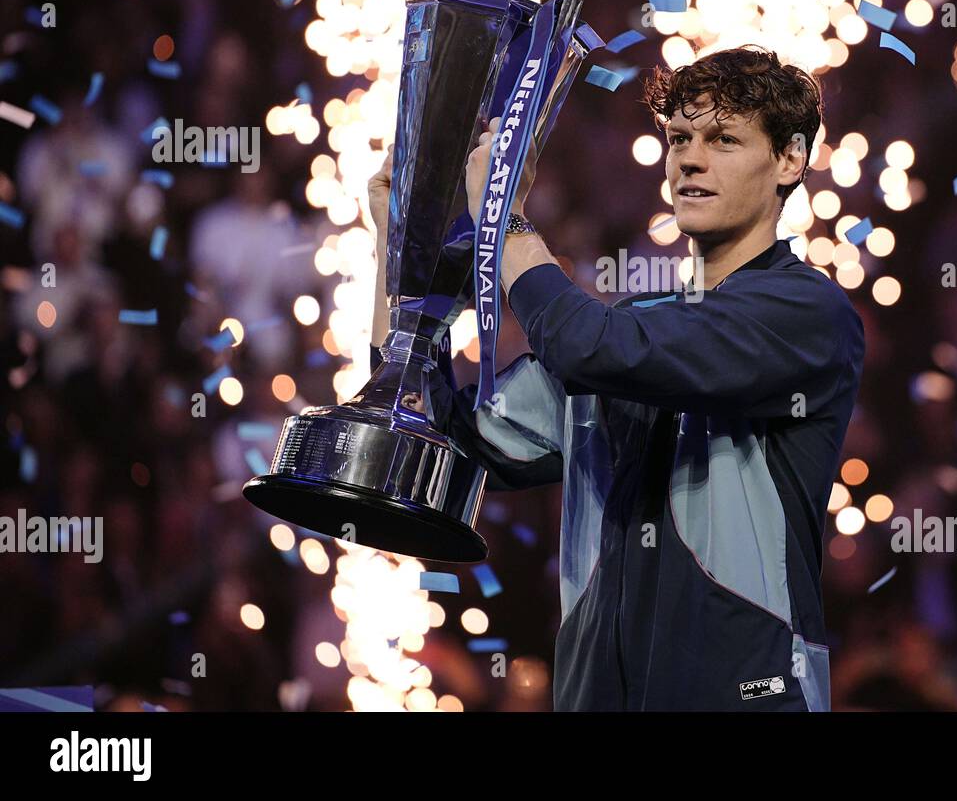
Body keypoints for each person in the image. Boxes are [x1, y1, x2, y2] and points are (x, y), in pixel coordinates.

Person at [369, 45, 865, 711]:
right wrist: (397, 244)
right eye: (680, 138)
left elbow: (589, 347)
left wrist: (506, 223)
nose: (690, 159)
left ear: (789, 159)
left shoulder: (807, 312)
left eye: (723, 140)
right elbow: (441, 435)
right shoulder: (632, 327)